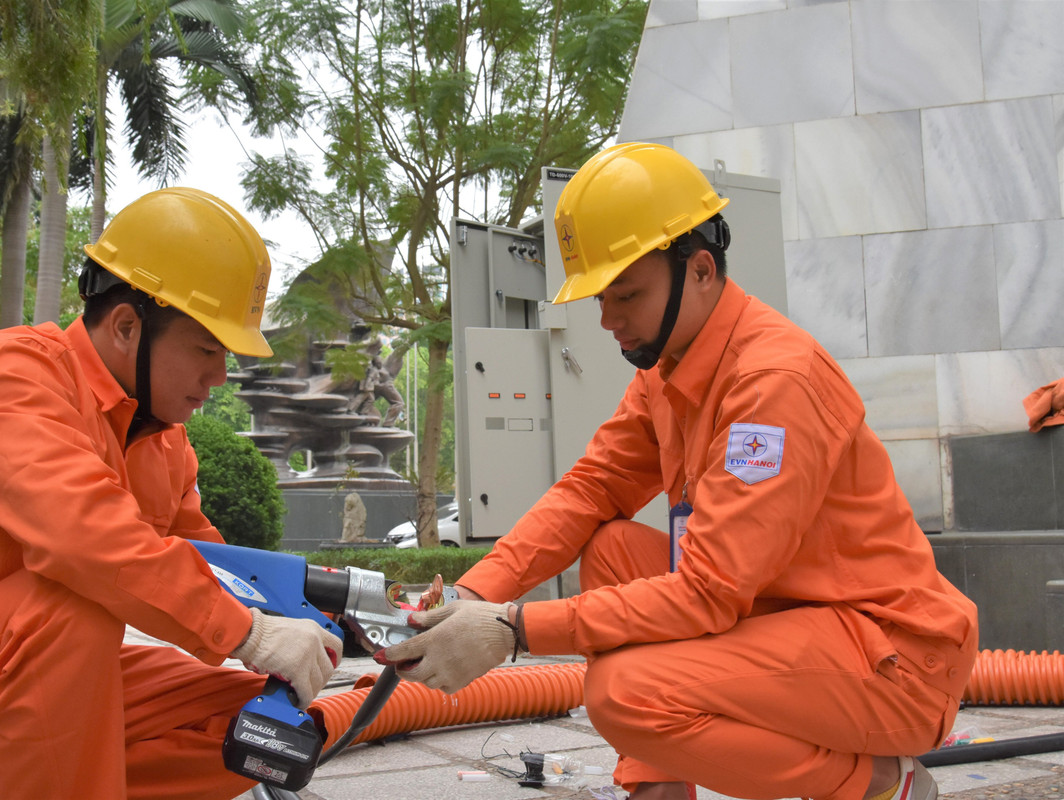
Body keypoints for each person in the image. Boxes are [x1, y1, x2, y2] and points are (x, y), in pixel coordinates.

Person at [376, 143, 978, 800]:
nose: (606, 320)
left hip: (891, 657)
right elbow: (592, 488)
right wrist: (474, 597)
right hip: (789, 620)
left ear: (699, 270)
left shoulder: (772, 384)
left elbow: (709, 593)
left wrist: (514, 630)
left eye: (626, 294)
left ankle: (878, 784)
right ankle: (657, 790)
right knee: (610, 547)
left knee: (625, 694)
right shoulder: (669, 370)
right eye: (601, 297)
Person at [0, 188, 342, 800]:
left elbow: (207, 565)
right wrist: (246, 633)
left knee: (259, 721)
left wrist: (313, 611)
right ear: (126, 325)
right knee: (75, 596)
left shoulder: (162, 441)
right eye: (206, 349)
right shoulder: (11, 374)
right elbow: (84, 538)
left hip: (20, 695)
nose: (220, 376)